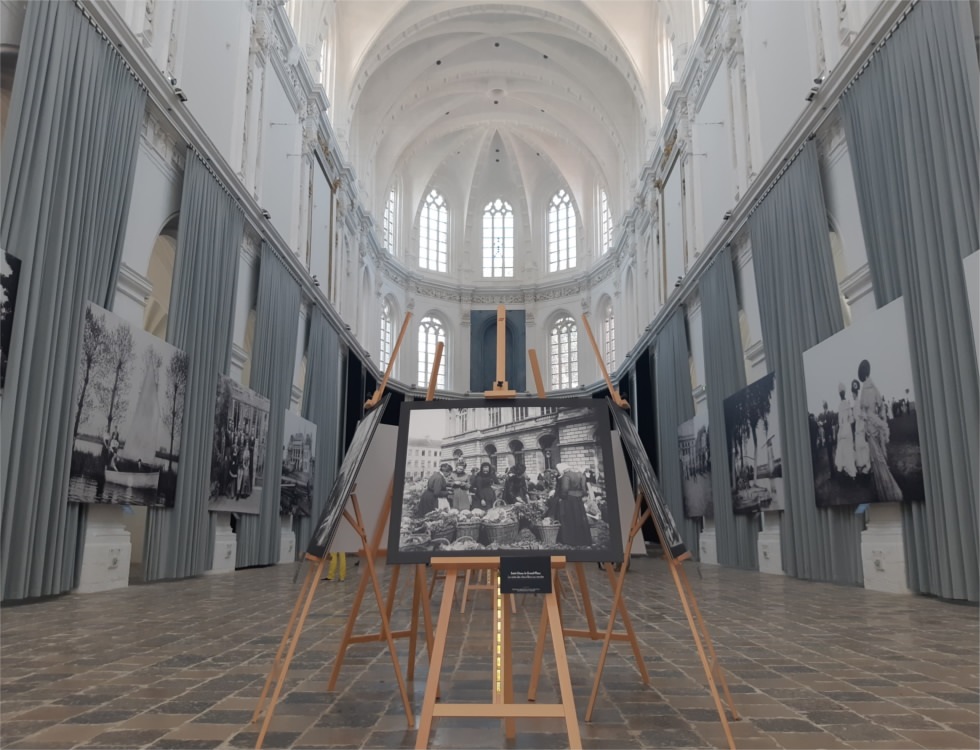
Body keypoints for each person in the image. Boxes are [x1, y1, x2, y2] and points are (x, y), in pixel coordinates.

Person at [858, 360, 902, 502]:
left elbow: (863, 413)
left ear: (862, 374)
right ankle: (883, 486)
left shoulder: (864, 390)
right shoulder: (874, 387)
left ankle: (884, 487)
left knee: (876, 459)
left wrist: (866, 426)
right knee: (881, 455)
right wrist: (882, 420)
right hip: (877, 423)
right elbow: (881, 406)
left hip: (870, 426)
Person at [547, 463, 592, 547]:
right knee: (578, 518)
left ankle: (570, 539)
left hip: (568, 500)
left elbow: (565, 489)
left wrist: (561, 498)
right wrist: (580, 496)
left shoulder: (566, 476)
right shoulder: (579, 474)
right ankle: (582, 539)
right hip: (578, 500)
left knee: (569, 519)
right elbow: (583, 489)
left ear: (561, 469)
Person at [833, 382, 856, 478]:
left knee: (842, 451)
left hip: (842, 430)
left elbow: (839, 421)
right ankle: (851, 472)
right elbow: (851, 419)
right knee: (848, 450)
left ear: (839, 395)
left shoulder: (840, 406)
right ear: (845, 393)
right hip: (847, 429)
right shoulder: (847, 404)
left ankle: (845, 470)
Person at [851, 379, 870, 474]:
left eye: (853, 394)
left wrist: (860, 423)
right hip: (859, 428)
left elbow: (860, 416)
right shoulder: (856, 403)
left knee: (862, 447)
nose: (852, 395)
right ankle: (864, 467)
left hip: (860, 428)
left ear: (855, 393)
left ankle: (866, 466)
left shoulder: (857, 403)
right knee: (860, 448)